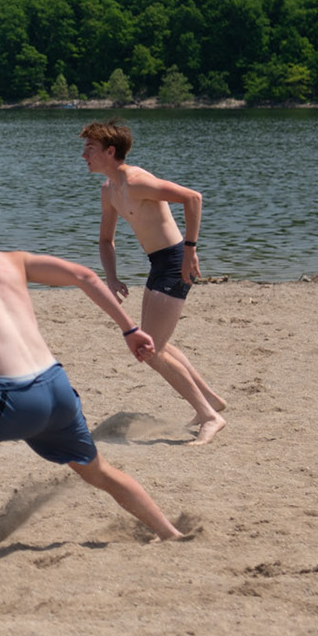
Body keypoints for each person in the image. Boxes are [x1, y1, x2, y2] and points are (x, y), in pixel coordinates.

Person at [0, 186, 186, 550]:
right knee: (100, 472)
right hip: (58, 389)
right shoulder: (12, 260)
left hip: (13, 400)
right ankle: (170, 533)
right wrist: (130, 330)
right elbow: (85, 276)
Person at [81, 120, 226, 444]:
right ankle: (211, 400)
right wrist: (112, 276)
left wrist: (190, 250)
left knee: (150, 349)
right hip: (157, 264)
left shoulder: (137, 181)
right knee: (155, 343)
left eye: (90, 148)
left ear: (110, 151)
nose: (83, 155)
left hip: (175, 263)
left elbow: (193, 198)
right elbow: (105, 240)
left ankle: (209, 416)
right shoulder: (109, 190)